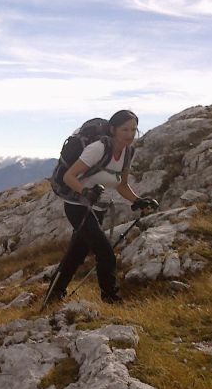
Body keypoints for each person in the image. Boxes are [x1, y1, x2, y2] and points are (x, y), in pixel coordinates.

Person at [47, 109, 158, 304]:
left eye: (134, 129)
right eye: (125, 129)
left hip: (97, 209)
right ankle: (111, 300)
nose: (130, 134)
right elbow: (69, 177)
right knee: (105, 253)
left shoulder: (127, 152)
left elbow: (122, 185)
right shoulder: (98, 148)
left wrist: (138, 201)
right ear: (113, 129)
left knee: (77, 254)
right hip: (78, 206)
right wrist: (85, 192)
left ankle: (53, 296)